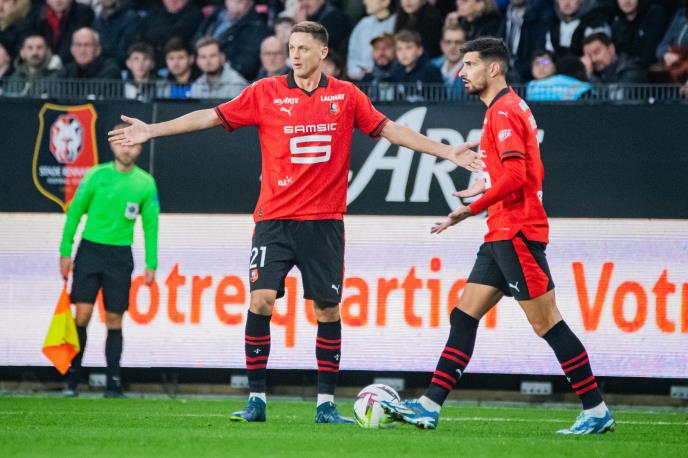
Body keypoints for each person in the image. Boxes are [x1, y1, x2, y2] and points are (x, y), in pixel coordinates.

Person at [108, 21, 482, 424]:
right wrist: (153, 130)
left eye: (303, 48)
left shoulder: (346, 95)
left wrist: (447, 152)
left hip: (324, 223)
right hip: (274, 220)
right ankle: (256, 399)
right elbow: (211, 117)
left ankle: (325, 405)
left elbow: (392, 130)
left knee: (327, 310)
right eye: (292, 48)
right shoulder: (265, 92)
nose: (296, 55)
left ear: (323, 52)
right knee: (260, 300)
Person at [381, 37, 615, 435]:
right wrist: (485, 184)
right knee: (464, 315)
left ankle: (596, 410)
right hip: (501, 232)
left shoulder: (503, 111)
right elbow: (515, 169)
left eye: (470, 65)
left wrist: (469, 209)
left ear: (493, 69)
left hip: (516, 231)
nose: (462, 73)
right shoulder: (507, 108)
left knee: (547, 323)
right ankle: (429, 406)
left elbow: (517, 176)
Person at [60, 123, 160, 398]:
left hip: (119, 255)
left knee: (114, 318)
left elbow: (151, 226)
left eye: (132, 144)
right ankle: (73, 379)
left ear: (140, 148)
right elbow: (74, 213)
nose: (126, 149)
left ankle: (113, 382)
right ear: (112, 144)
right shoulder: (96, 175)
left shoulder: (145, 183)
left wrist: (151, 263)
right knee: (82, 314)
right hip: (90, 251)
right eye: (121, 142)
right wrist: (65, 250)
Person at [193, 0, 269, 81]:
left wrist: (218, 68)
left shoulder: (257, 26)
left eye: (239, 1)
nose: (235, 2)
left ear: (250, 2)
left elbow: (247, 64)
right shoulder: (215, 16)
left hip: (231, 80)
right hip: (200, 75)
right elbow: (195, 41)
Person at [346, 0, 396, 81]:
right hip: (363, 82)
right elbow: (352, 62)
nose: (365, 2)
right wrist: (365, 73)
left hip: (394, 79)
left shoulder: (399, 22)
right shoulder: (363, 24)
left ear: (385, 1)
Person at [391, 29, 444, 101]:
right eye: (399, 49)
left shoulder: (431, 71)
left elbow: (440, 101)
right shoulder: (395, 73)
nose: (403, 53)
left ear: (419, 50)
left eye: (408, 48)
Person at [582, 32, 646, 84]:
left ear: (611, 48)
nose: (593, 59)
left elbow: (617, 95)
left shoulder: (632, 69)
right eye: (589, 56)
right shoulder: (597, 73)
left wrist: (589, 75)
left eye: (597, 52)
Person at [432, 23, 467, 99]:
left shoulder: (473, 71)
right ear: (441, 45)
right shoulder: (431, 66)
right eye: (448, 42)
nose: (453, 47)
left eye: (458, 42)